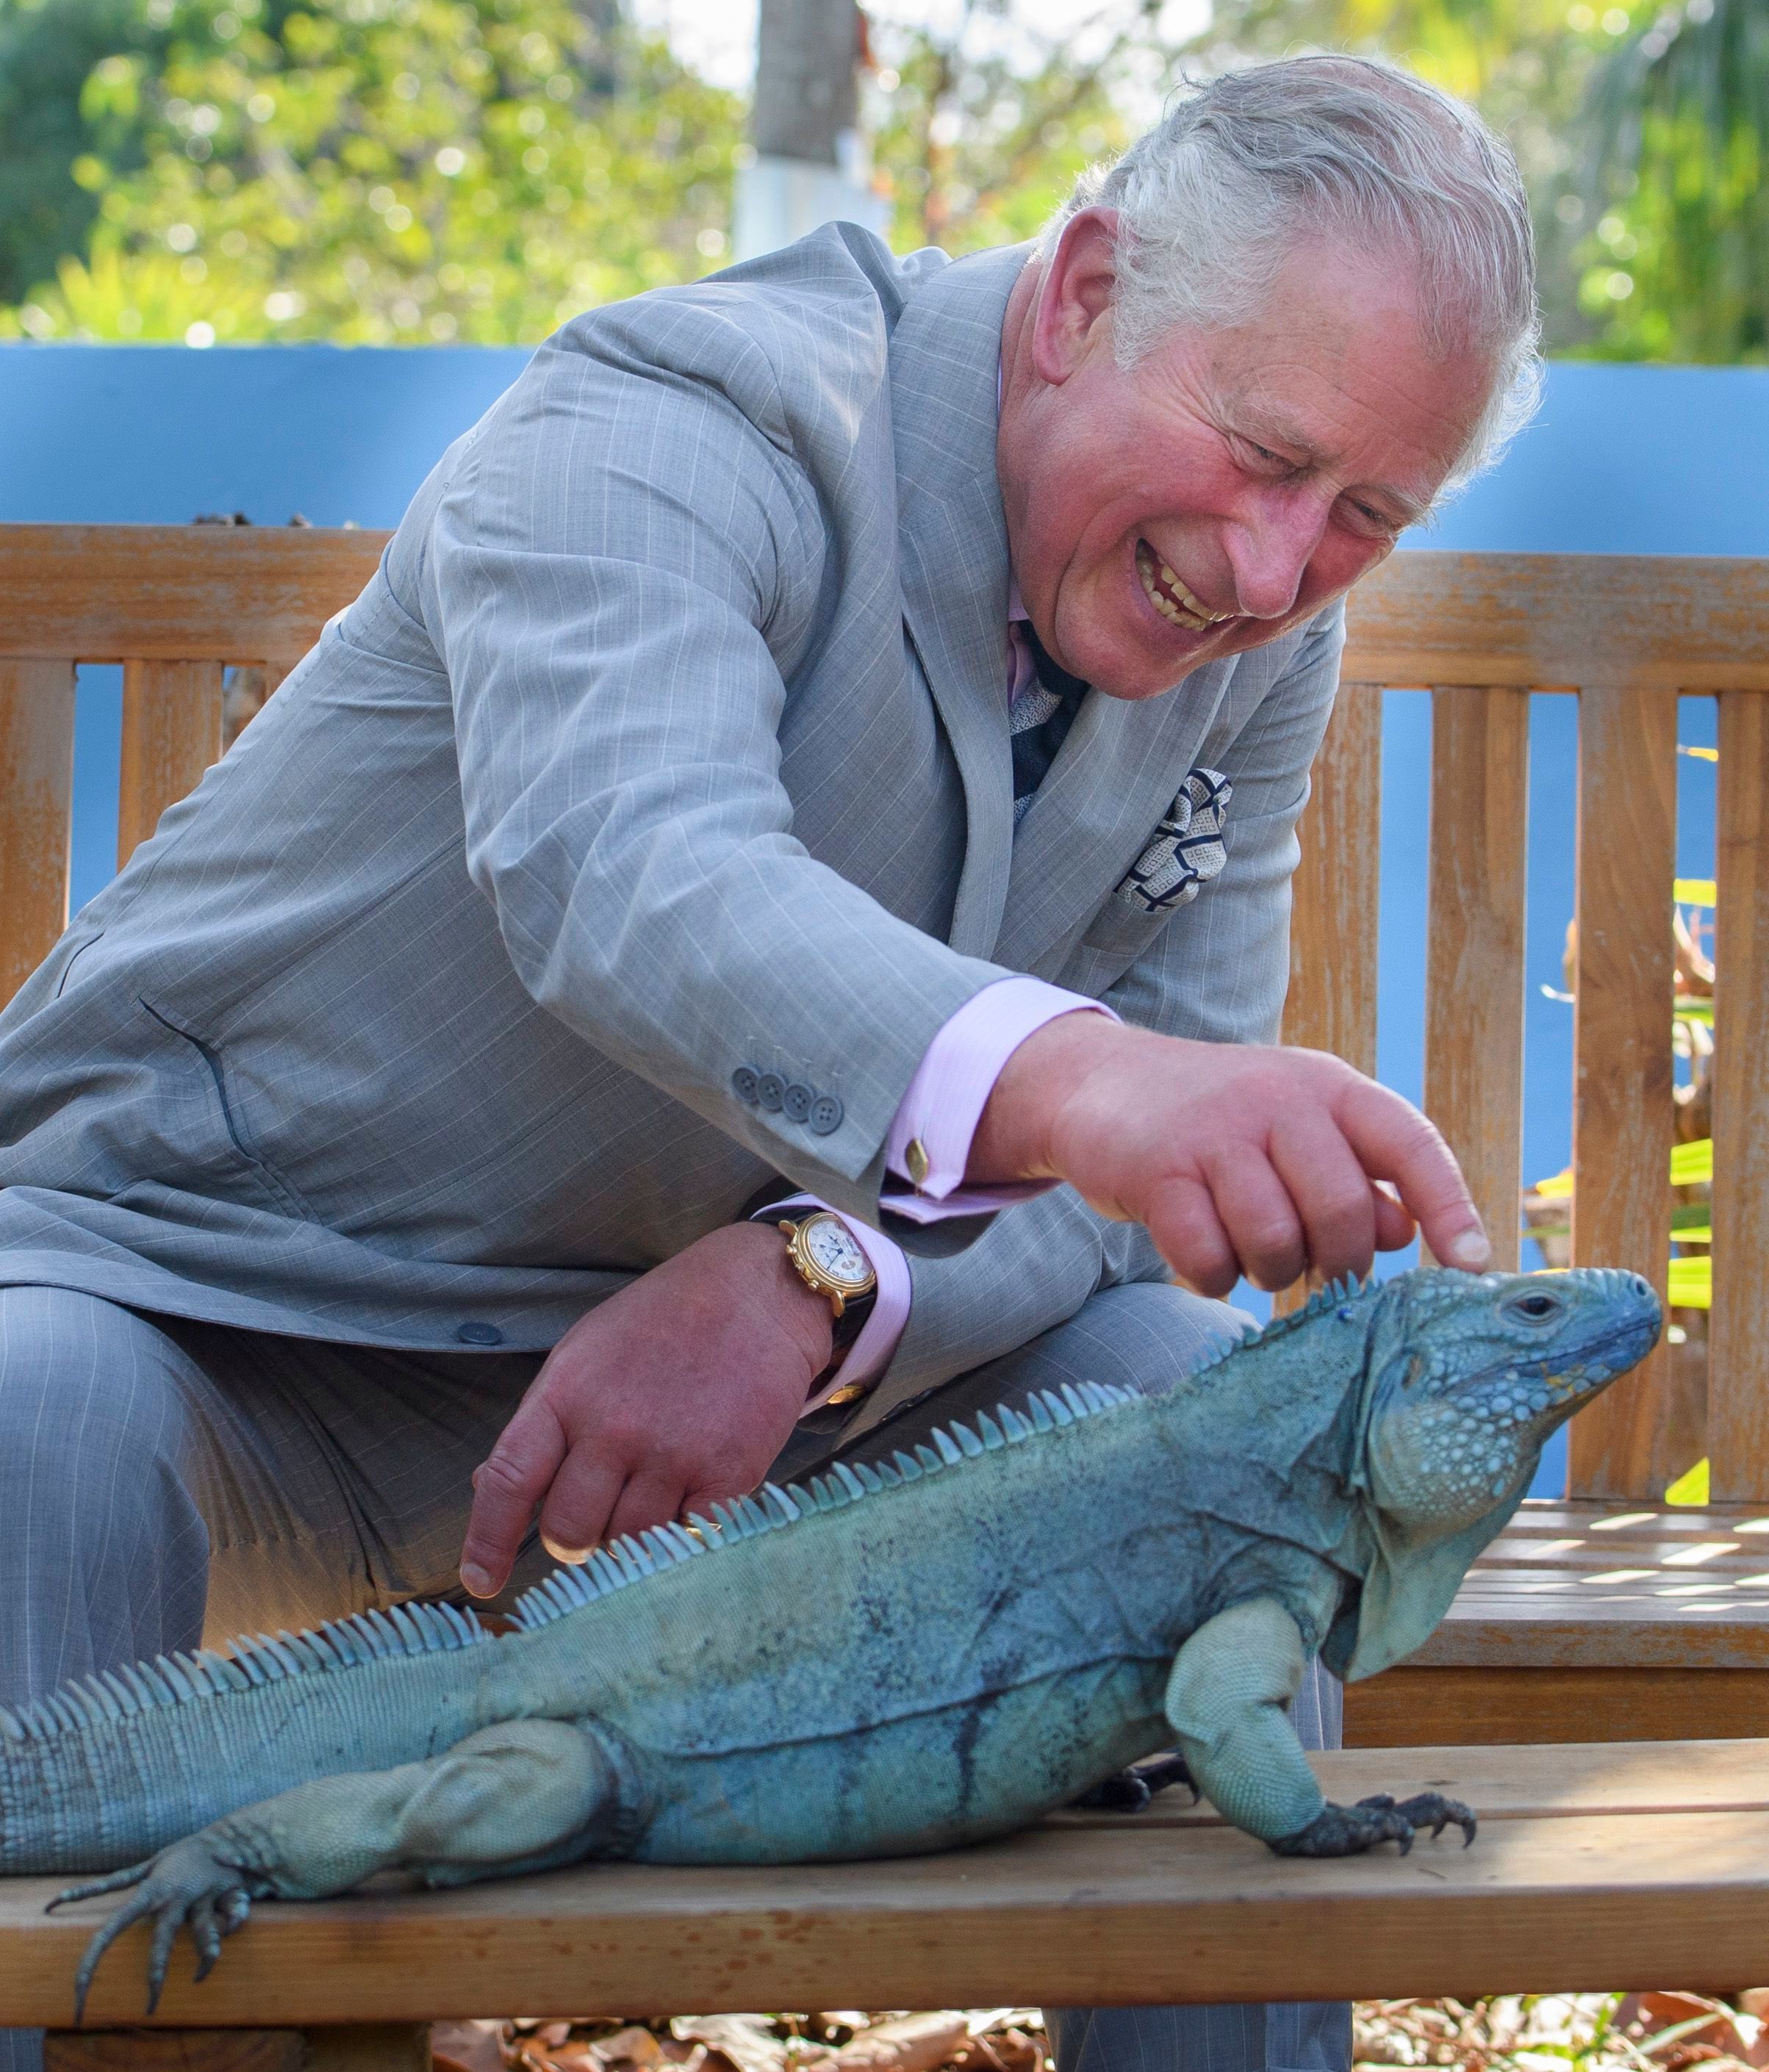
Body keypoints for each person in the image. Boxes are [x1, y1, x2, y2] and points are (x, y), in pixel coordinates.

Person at [0, 52, 1538, 2071]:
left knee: (1188, 1404)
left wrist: (829, 1280)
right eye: (1263, 455)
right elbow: (632, 870)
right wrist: (1094, 1087)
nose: (1270, 573)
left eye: (1363, 517)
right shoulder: (682, 406)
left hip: (723, 1436)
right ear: (1084, 292)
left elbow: (1116, 1205)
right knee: (29, 1401)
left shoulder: (1260, 639)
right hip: (223, 1322)